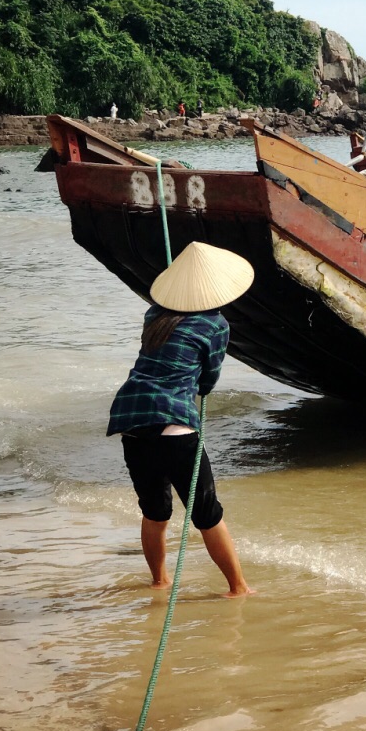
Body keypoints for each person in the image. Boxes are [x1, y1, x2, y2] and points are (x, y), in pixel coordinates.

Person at [108, 242, 255, 596]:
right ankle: (238, 587)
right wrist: (199, 386)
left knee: (155, 512)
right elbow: (208, 378)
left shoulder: (155, 314)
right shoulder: (214, 323)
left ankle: (159, 581)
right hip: (174, 423)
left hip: (132, 416)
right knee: (207, 514)